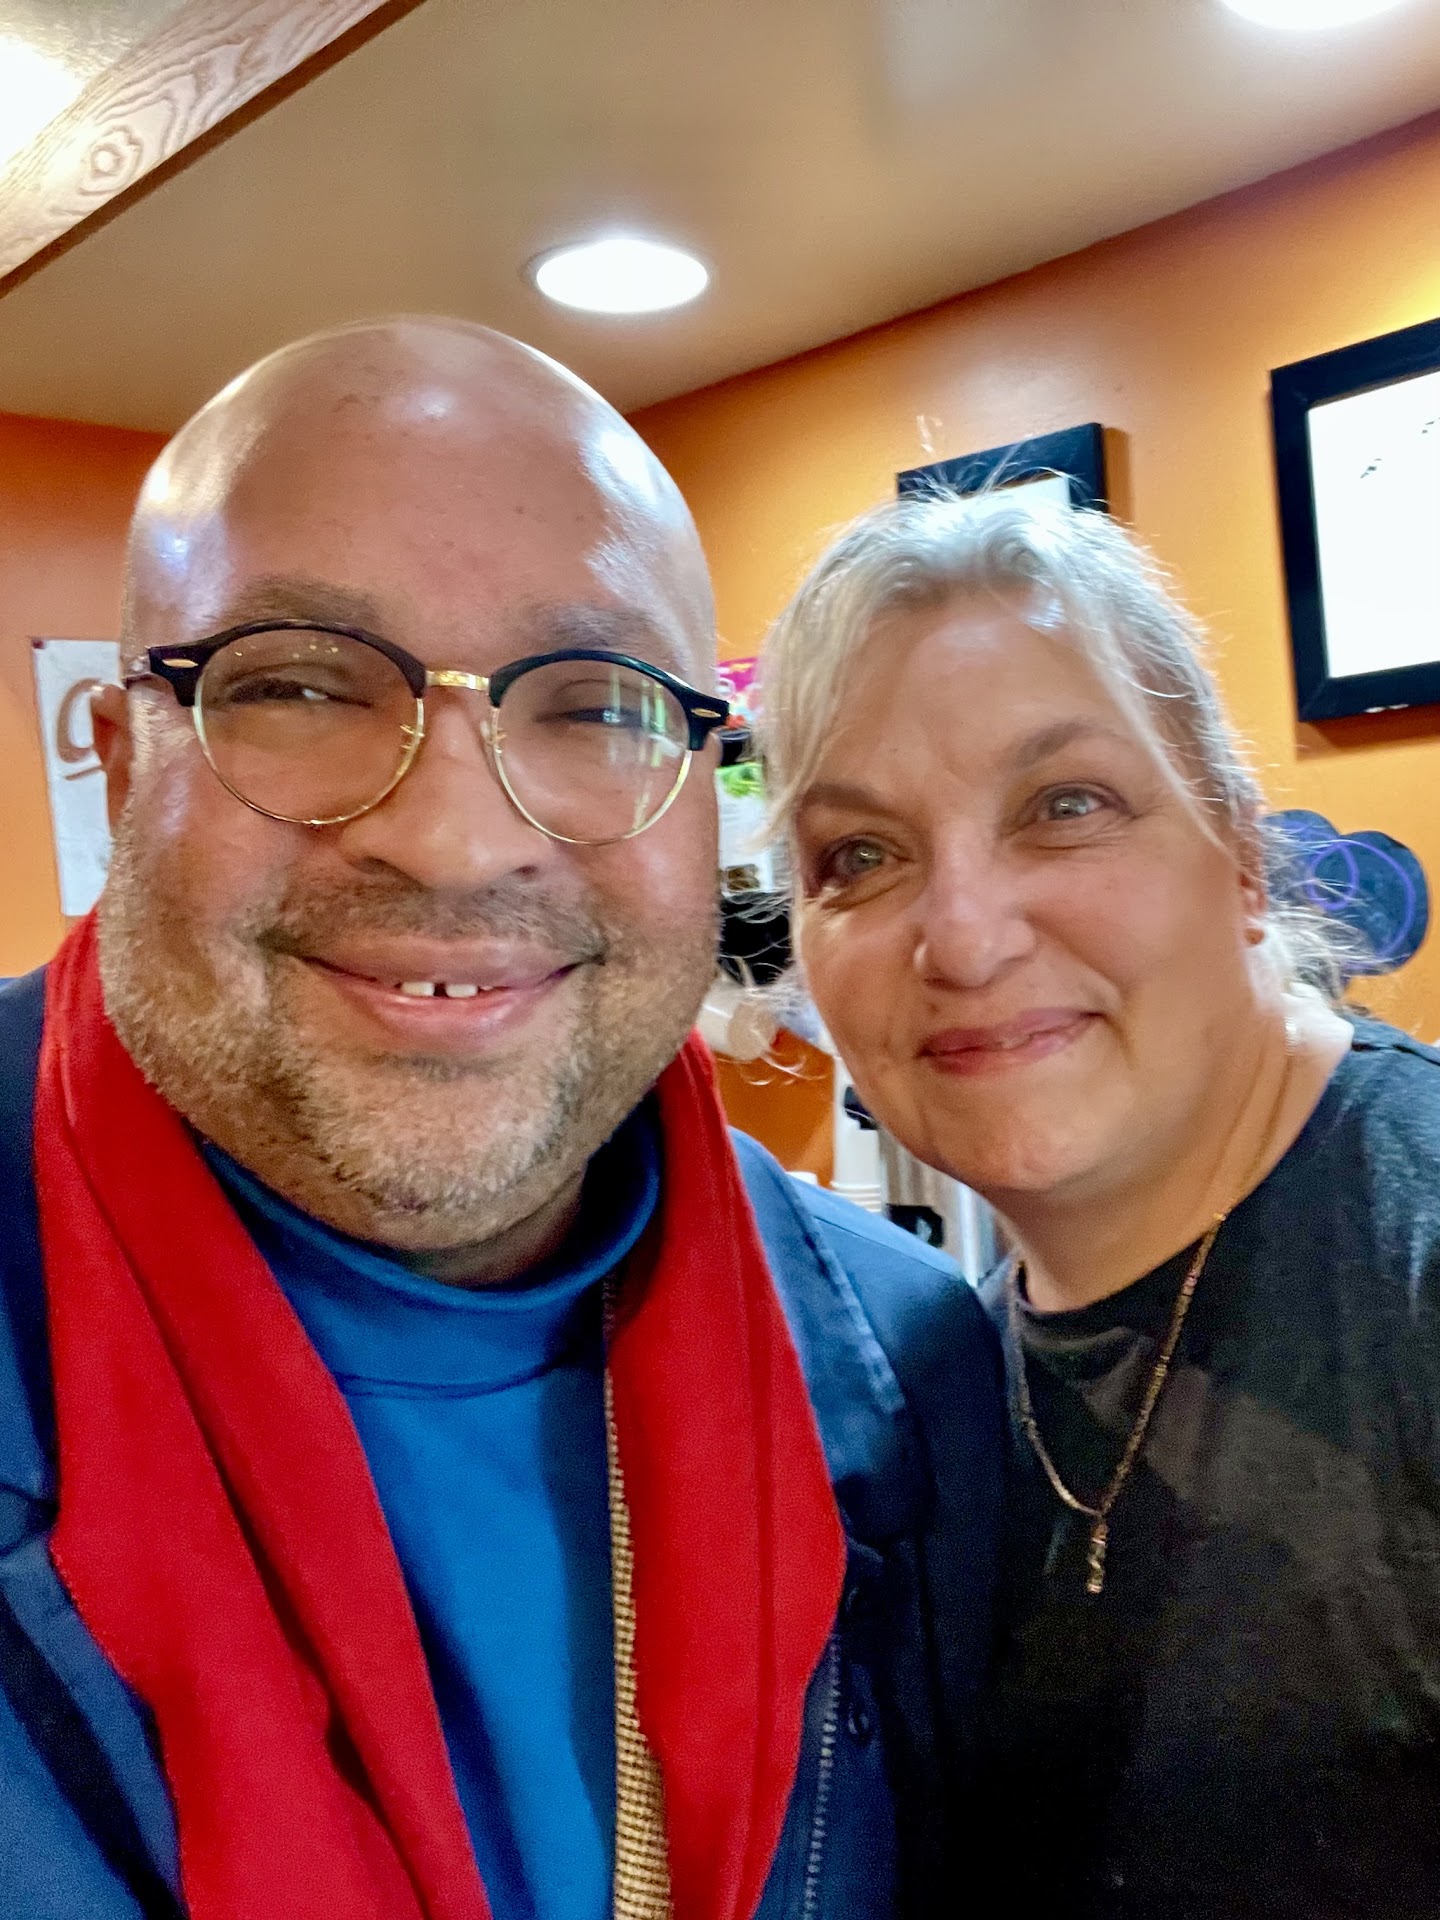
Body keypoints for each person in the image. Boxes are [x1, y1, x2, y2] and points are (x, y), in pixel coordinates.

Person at [0, 322, 1003, 1920]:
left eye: (597, 706)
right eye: (298, 685)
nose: (456, 840)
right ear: (122, 774)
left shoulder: (911, 1376)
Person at [759, 489, 1440, 1920]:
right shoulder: (926, 1392)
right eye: (859, 856)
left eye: (1065, 807)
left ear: (1239, 853)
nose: (963, 937)